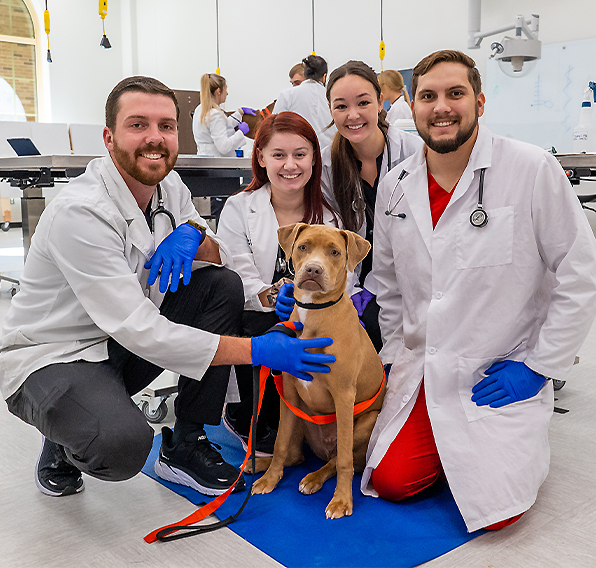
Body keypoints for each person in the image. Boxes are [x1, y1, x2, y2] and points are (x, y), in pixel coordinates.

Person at [0, 76, 336, 500]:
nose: (155, 138)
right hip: (56, 354)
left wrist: (194, 233)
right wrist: (258, 350)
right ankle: (64, 438)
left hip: (119, 343)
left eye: (166, 126)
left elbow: (219, 254)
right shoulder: (81, 213)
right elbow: (142, 329)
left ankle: (187, 442)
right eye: (138, 125)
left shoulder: (169, 185)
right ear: (109, 137)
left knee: (222, 286)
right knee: (121, 445)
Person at [362, 50, 596, 532]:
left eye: (456, 93)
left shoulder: (530, 169)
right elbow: (386, 286)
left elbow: (579, 272)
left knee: (497, 512)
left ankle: (519, 433)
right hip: (425, 365)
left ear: (480, 102)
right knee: (392, 482)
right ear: (413, 107)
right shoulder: (396, 185)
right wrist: (390, 358)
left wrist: (539, 367)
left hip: (498, 368)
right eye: (428, 96)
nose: (442, 107)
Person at [217, 111, 339, 455]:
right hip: (259, 315)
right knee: (260, 324)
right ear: (260, 157)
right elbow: (237, 273)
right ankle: (248, 418)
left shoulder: (329, 215)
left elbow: (345, 275)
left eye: (300, 154)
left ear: (314, 157)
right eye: (278, 155)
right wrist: (272, 296)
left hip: (315, 315)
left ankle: (317, 415)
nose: (290, 165)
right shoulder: (239, 208)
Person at [319, 60, 421, 351]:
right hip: (353, 282)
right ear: (331, 111)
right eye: (340, 106)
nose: (353, 115)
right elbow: (332, 233)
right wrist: (349, 291)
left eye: (363, 102)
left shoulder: (413, 155)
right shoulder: (327, 165)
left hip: (408, 278)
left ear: (380, 102)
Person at [273, 55, 334, 150]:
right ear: (324, 77)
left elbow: (273, 127)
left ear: (305, 74)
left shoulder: (288, 95)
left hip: (298, 155)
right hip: (330, 156)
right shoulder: (333, 96)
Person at [192, 72, 254, 157]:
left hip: (205, 160)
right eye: (226, 90)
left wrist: (240, 113)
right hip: (218, 165)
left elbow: (221, 126)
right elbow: (224, 147)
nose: (227, 94)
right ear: (219, 91)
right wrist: (241, 132)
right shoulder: (214, 114)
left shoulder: (200, 109)